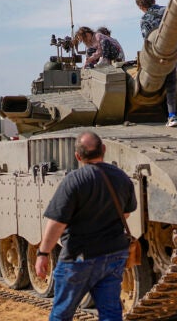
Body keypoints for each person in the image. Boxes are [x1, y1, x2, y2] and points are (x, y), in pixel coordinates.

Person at [35, 131, 137, 321]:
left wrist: (43, 253)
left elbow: (57, 223)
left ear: (77, 156)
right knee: (111, 314)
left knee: (62, 313)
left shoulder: (74, 180)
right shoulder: (122, 177)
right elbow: (126, 213)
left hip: (79, 258)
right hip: (114, 254)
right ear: (104, 150)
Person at [135, 0, 177, 127]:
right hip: (174, 53)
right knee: (171, 86)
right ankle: (172, 116)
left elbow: (147, 40)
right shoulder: (166, 11)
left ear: (141, 7)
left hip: (156, 58)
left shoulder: (144, 19)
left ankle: (170, 117)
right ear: (153, 0)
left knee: (162, 83)